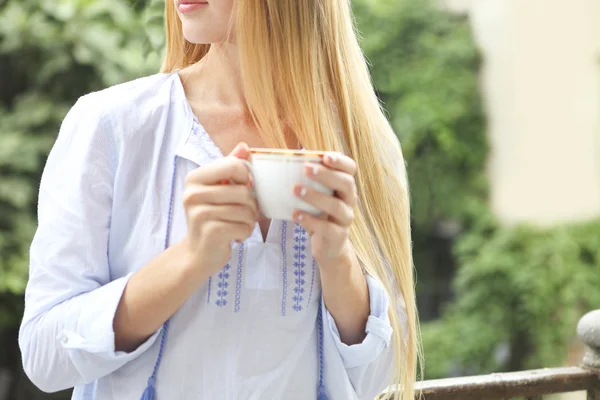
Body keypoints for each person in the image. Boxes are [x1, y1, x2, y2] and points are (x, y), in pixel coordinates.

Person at [18, 0, 419, 399]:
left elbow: (379, 380)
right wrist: (190, 258)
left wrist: (337, 260)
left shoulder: (365, 144)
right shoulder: (110, 125)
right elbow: (45, 356)